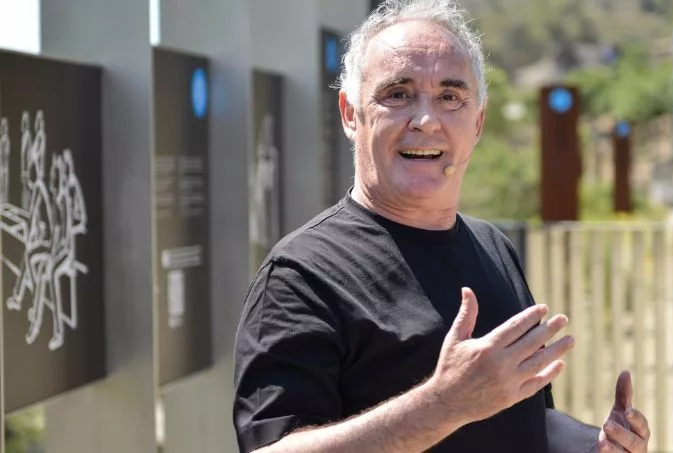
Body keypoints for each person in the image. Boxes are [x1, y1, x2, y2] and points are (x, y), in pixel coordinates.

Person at [233, 1, 651, 452]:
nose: (426, 120)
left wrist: (592, 444)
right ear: (351, 114)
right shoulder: (301, 275)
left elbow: (522, 418)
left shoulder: (492, 247)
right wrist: (443, 405)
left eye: (450, 98)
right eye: (398, 94)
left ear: (478, 122)